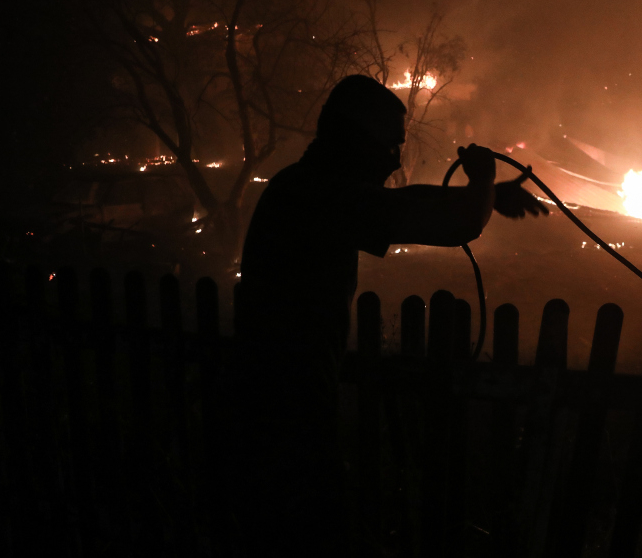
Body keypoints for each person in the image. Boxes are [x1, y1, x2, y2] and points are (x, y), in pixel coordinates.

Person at [226, 75, 547, 556]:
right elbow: (452, 224)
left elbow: (401, 200)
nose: (396, 158)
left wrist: (490, 195)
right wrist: (480, 182)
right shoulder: (324, 196)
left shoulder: (302, 185)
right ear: (357, 138)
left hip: (268, 400)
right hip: (286, 413)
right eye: (391, 144)